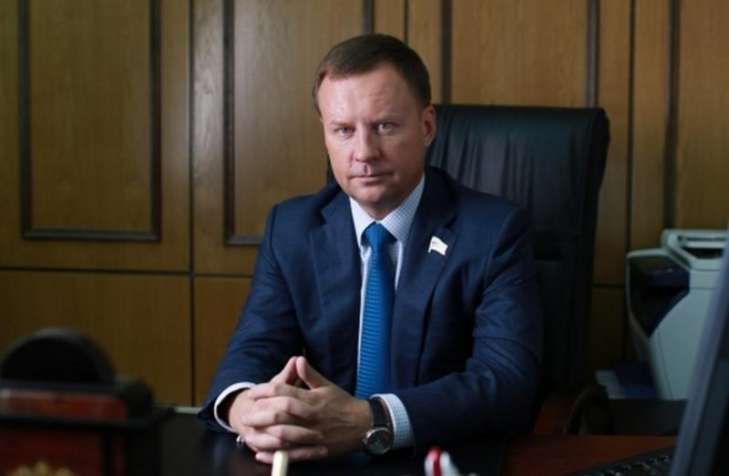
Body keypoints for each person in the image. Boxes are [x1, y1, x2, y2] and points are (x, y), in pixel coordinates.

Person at [199, 33, 542, 464]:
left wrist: (371, 420)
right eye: (343, 130)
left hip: (437, 459)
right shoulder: (292, 228)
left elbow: (506, 383)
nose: (363, 152)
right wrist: (245, 408)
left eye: (384, 126)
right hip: (319, 461)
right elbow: (254, 349)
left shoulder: (493, 232)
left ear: (427, 126)